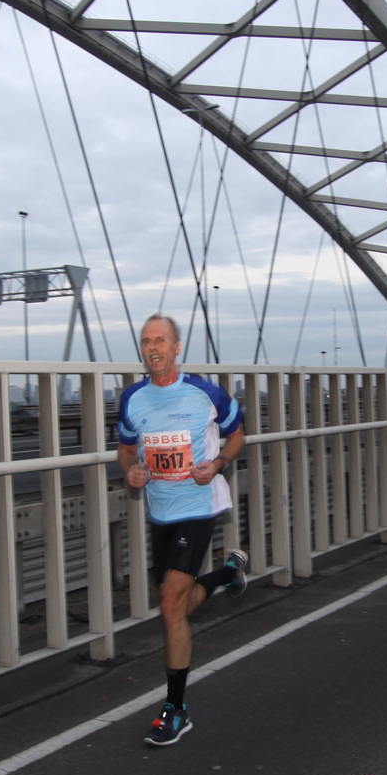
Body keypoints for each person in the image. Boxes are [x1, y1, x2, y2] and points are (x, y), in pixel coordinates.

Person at [118, 314, 248, 746]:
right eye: (146, 341)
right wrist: (131, 471)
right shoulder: (132, 399)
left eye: (161, 340)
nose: (152, 347)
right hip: (161, 512)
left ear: (176, 348)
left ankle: (176, 708)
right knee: (176, 604)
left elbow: (237, 434)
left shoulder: (206, 393)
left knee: (171, 605)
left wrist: (218, 463)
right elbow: (125, 448)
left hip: (198, 505)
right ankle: (227, 574)